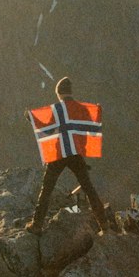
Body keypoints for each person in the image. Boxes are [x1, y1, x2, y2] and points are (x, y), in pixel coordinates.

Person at [26, 77, 109, 233]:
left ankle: (37, 225)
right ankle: (104, 225)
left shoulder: (57, 110)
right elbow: (90, 122)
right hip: (75, 154)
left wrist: (30, 117)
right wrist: (98, 110)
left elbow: (46, 127)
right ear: (70, 92)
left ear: (59, 93)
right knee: (89, 188)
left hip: (58, 153)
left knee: (47, 189)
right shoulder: (80, 108)